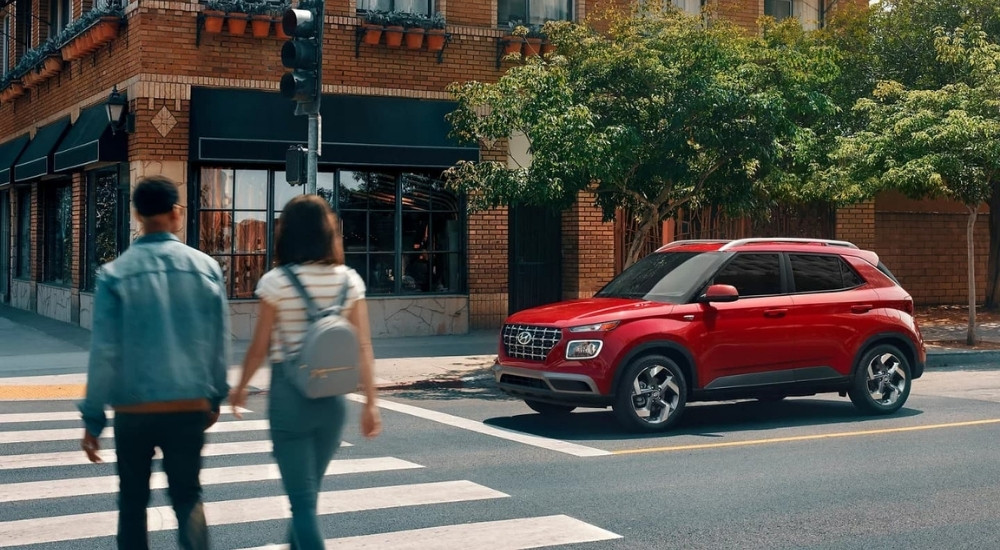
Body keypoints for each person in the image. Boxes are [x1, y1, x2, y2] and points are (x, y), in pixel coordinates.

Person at [79, 175, 231, 550]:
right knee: (188, 497)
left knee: (131, 502)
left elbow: (104, 352)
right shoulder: (206, 268)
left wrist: (93, 419)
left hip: (135, 409)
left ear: (136, 214)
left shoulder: (114, 275)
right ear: (176, 214)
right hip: (188, 404)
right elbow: (217, 341)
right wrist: (215, 398)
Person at [229, 194, 381, 550]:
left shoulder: (276, 282)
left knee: (301, 503)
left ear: (289, 234)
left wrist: (240, 387)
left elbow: (260, 347)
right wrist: (371, 403)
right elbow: (363, 347)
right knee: (307, 501)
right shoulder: (349, 281)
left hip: (289, 399)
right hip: (333, 400)